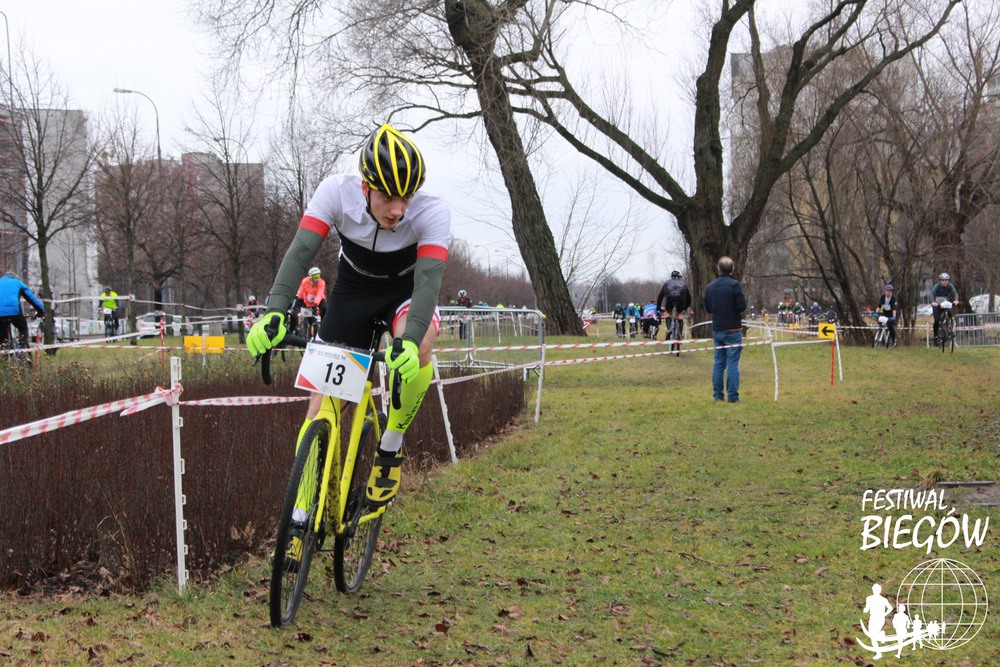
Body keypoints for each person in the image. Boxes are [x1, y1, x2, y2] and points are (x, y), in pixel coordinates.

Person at [247, 124, 450, 561]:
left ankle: (390, 448)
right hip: (353, 292)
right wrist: (274, 311)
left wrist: (409, 341)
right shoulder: (335, 193)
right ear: (365, 187)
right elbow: (300, 253)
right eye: (387, 197)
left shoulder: (432, 212)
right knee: (321, 405)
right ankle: (301, 513)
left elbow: (429, 282)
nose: (398, 210)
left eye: (406, 198)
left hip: (405, 293)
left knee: (418, 346)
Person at [704, 257, 746, 403]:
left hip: (718, 329)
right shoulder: (735, 285)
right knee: (732, 363)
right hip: (733, 329)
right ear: (732, 269)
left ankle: (718, 395)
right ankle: (732, 396)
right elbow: (742, 306)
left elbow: (708, 308)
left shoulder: (710, 287)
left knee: (719, 363)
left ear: (718, 269)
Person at [0, 271, 45, 349]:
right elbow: (31, 298)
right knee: (23, 328)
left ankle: (3, 350)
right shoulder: (18, 283)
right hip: (15, 311)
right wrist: (41, 311)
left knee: (2, 335)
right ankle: (23, 349)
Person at [657, 270, 692, 340]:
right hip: (680, 300)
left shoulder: (667, 283)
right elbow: (689, 298)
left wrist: (659, 308)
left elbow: (660, 297)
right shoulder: (683, 283)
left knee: (668, 313)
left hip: (670, 299)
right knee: (679, 314)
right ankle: (680, 334)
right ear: (679, 277)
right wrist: (685, 308)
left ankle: (669, 329)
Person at [929, 272, 959, 342]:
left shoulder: (950, 286)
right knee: (937, 320)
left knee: (950, 315)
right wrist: (933, 302)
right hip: (937, 304)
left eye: (946, 280)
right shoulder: (937, 286)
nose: (944, 282)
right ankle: (935, 335)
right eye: (943, 280)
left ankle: (949, 329)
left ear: (948, 281)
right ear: (940, 281)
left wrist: (956, 300)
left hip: (945, 303)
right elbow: (932, 293)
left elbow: (955, 293)